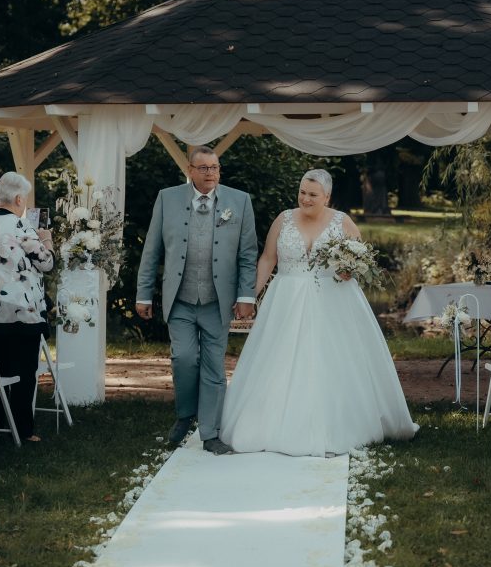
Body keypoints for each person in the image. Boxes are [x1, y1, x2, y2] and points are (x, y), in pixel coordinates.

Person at [220, 170, 418, 456]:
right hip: (286, 300)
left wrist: (350, 270)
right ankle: (270, 423)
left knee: (332, 361)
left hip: (333, 301)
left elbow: (360, 261)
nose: (305, 199)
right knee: (279, 358)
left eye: (313, 194)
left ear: (327, 196)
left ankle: (336, 424)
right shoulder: (283, 219)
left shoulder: (343, 222)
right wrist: (249, 296)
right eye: (302, 192)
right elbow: (268, 259)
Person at [136, 146, 258, 455]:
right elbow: (151, 250)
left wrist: (246, 295)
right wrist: (143, 293)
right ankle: (185, 414)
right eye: (203, 168)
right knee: (184, 358)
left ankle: (210, 433)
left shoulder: (240, 201)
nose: (210, 173)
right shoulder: (167, 198)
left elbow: (247, 254)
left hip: (218, 301)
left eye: (215, 168)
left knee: (214, 366)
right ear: (190, 171)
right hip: (180, 298)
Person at [0, 172, 53, 443]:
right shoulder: (21, 226)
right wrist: (47, 241)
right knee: (24, 372)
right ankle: (23, 429)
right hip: (22, 309)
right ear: (18, 199)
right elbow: (46, 262)